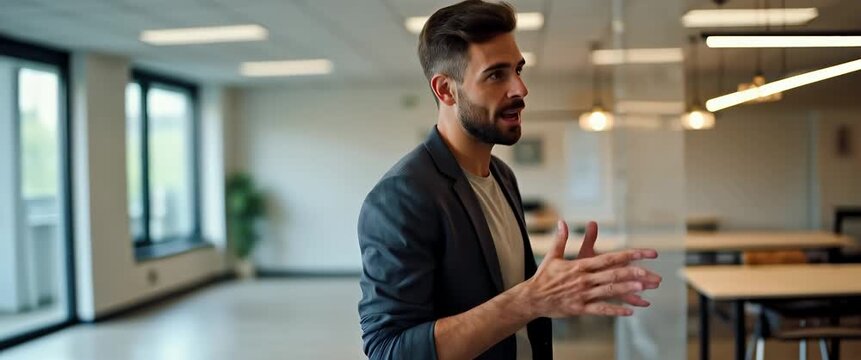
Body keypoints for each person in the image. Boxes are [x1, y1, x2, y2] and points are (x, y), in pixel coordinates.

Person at [357, 1, 662, 359]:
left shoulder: (502, 175)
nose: (520, 89)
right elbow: (388, 350)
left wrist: (557, 289)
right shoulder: (400, 196)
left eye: (518, 70)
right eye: (496, 74)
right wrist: (531, 298)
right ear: (446, 90)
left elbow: (512, 301)